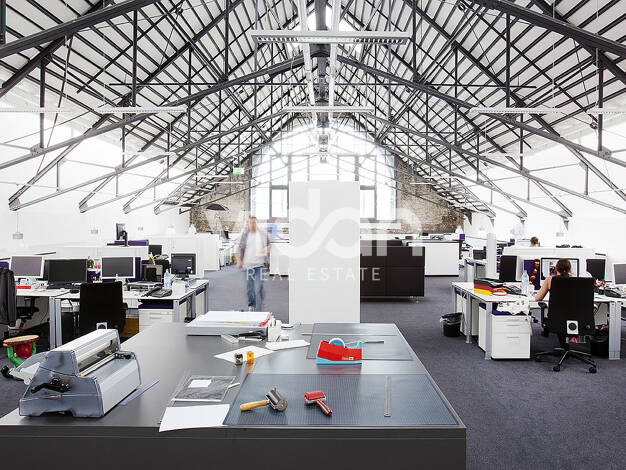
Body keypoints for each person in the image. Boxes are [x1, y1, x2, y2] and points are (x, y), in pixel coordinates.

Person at [235, 216, 270, 311]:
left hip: (260, 265)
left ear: (257, 223)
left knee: (259, 287)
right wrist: (239, 261)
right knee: (249, 288)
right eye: (250, 223)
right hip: (247, 266)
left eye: (254, 222)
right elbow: (239, 248)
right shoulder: (245, 235)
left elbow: (269, 245)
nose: (252, 224)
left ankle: (259, 304)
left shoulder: (263, 234)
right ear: (248, 224)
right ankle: (251, 305)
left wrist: (266, 249)